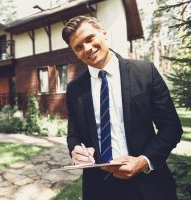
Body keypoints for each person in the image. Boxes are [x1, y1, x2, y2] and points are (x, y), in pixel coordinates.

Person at [62, 15, 183, 200]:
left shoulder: (145, 72)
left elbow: (171, 127)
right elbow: (74, 134)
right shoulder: (74, 89)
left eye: (90, 38)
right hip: (99, 189)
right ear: (75, 53)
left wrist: (143, 161)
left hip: (149, 186)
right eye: (78, 47)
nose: (87, 48)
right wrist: (76, 149)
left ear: (103, 33)